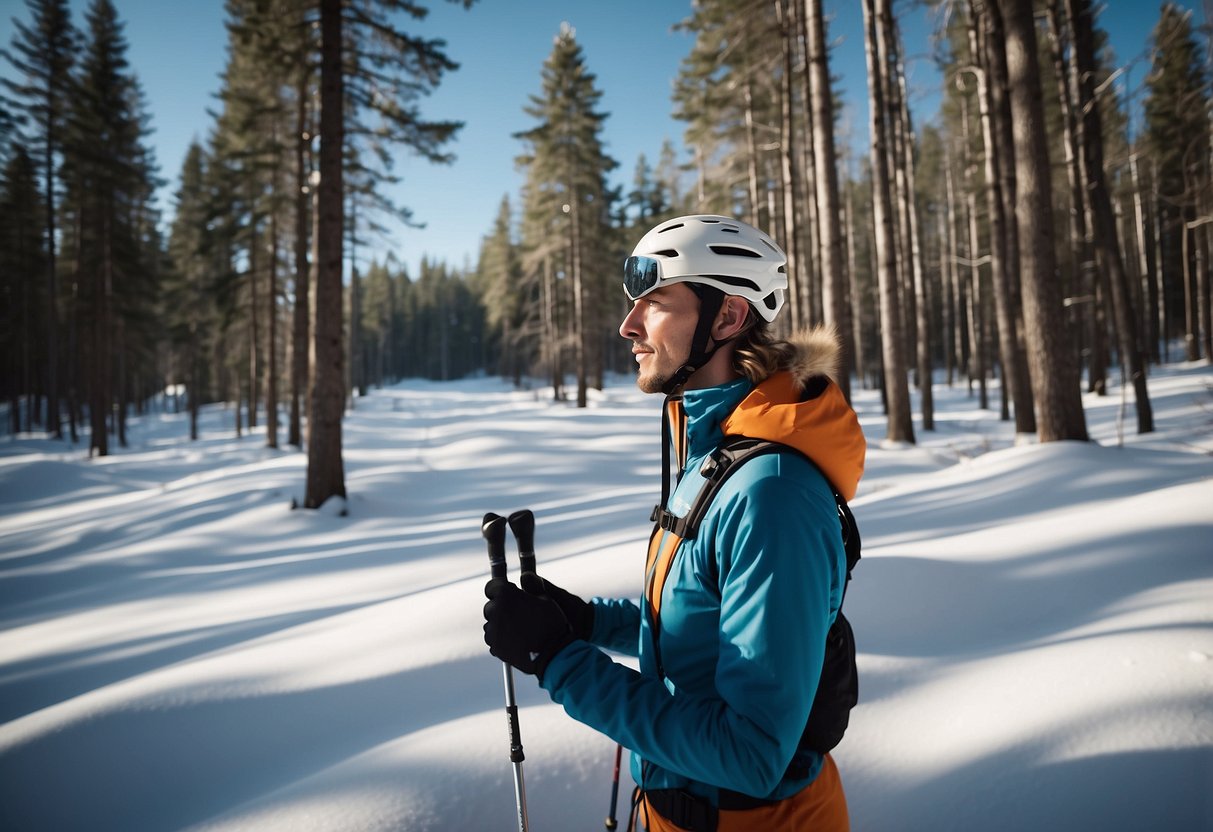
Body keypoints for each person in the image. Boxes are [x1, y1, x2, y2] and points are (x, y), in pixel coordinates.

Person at [483, 214, 866, 831]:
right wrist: (585, 621)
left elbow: (751, 752)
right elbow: (698, 628)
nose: (628, 326)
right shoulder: (715, 457)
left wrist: (560, 661)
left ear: (727, 318)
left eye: (655, 302)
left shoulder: (771, 496)